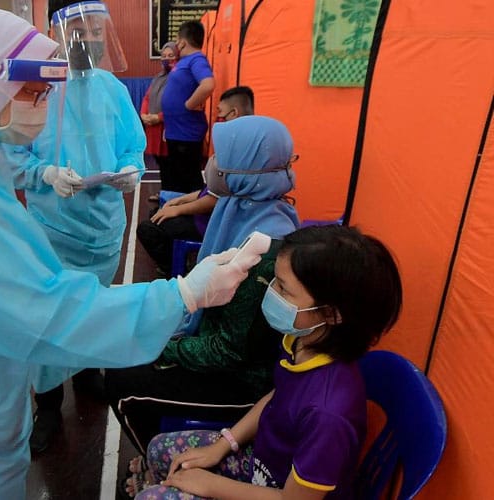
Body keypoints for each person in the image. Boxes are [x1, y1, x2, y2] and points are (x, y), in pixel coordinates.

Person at [0, 8, 253, 499]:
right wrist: (182, 295)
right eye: (31, 90)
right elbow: (47, 314)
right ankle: (50, 403)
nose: (42, 102)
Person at [131, 224, 403, 499]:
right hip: (262, 467)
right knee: (158, 449)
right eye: (275, 281)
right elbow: (278, 396)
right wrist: (223, 445)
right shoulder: (300, 342)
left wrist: (210, 485)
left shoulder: (328, 414)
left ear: (330, 314)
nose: (271, 293)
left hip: (283, 493)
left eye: (284, 290)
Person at [106, 115, 300, 461]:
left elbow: (228, 351)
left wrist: (168, 347)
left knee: (123, 379)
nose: (213, 164)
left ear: (247, 169)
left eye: (223, 157)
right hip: (221, 346)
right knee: (137, 345)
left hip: (245, 380)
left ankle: (163, 463)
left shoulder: (264, 247)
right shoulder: (241, 207)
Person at [8, 0, 146, 454]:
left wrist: (129, 171)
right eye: (78, 32)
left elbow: (132, 146)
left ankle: (87, 373)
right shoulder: (38, 90)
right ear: (59, 37)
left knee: (94, 310)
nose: (88, 40)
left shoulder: (111, 88)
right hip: (52, 228)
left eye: (95, 32)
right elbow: (12, 155)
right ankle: (47, 405)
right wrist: (44, 175)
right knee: (48, 321)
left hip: (104, 225)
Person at [137, 86, 256, 277]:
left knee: (148, 228)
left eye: (219, 113)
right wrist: (181, 201)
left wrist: (178, 208)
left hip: (214, 223)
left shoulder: (238, 153)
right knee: (158, 211)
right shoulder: (243, 142)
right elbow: (211, 190)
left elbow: (215, 200)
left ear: (234, 114)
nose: (217, 119)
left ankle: (175, 270)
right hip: (210, 214)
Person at [160, 20, 215, 194]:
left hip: (186, 134)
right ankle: (179, 213)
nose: (176, 44)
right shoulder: (185, 61)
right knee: (178, 177)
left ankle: (194, 217)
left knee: (189, 179)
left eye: (177, 40)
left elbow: (208, 84)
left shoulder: (196, 59)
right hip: (176, 131)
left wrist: (189, 104)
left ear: (182, 42)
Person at [140, 41, 179, 202]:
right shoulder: (158, 77)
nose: (166, 59)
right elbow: (148, 97)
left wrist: (159, 117)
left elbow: (177, 103)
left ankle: (173, 196)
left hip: (168, 128)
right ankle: (164, 192)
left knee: (172, 165)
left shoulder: (178, 76)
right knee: (161, 163)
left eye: (171, 55)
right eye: (163, 56)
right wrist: (143, 114)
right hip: (153, 128)